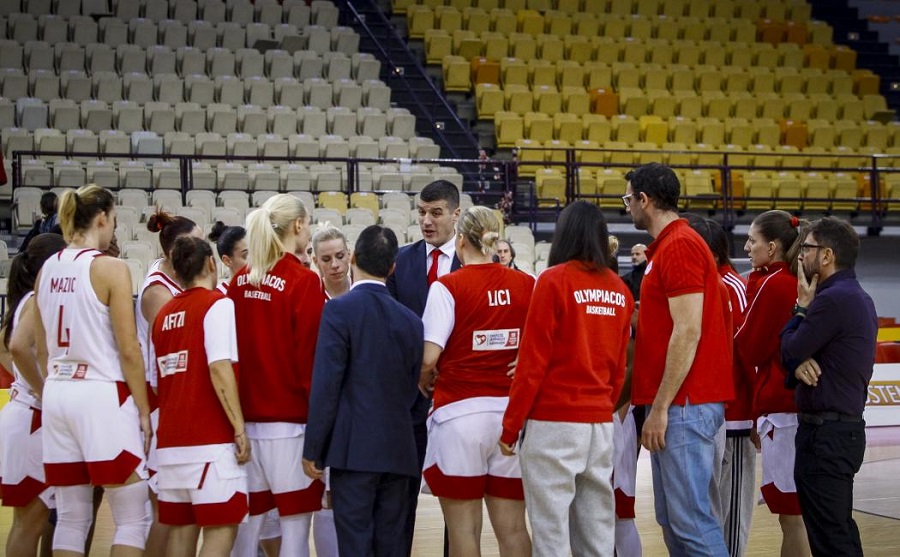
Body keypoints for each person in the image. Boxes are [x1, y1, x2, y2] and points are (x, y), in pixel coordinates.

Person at [499, 200, 634, 557]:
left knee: (551, 534)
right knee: (597, 534)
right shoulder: (620, 290)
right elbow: (619, 368)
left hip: (553, 424)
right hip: (599, 424)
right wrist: (600, 410)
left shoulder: (553, 280)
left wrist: (510, 427)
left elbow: (532, 362)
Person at [33, 185, 153, 555]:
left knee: (71, 518)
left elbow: (40, 349)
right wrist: (144, 410)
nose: (114, 229)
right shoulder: (110, 268)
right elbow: (129, 349)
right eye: (114, 221)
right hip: (100, 393)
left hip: (56, 392)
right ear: (102, 218)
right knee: (134, 517)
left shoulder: (46, 269)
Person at [624, 163, 732, 556]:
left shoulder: (681, 245)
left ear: (645, 200)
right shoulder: (666, 247)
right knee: (674, 523)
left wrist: (662, 407)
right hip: (679, 403)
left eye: (628, 199)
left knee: (692, 525)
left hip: (685, 404)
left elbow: (688, 330)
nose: (627, 208)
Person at [420, 206, 534, 557]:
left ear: (460, 240)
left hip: (459, 415)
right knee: (514, 529)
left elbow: (428, 358)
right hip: (510, 419)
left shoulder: (447, 286)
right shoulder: (527, 283)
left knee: (464, 530)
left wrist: (425, 379)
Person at [303, 225, 423, 557]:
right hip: (400, 449)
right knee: (393, 546)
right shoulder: (412, 321)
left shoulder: (339, 310)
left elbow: (327, 384)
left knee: (355, 545)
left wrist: (314, 447)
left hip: (352, 451)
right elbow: (416, 392)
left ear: (353, 257)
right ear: (393, 267)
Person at [228, 194, 325, 557]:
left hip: (244, 424)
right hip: (291, 424)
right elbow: (309, 362)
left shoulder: (237, 282)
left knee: (246, 528)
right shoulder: (304, 281)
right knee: (295, 528)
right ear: (298, 225)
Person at [781, 217, 877, 557]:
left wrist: (801, 308)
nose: (800, 255)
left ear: (826, 255)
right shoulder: (855, 295)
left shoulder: (832, 299)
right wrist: (796, 358)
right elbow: (794, 358)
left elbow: (790, 349)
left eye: (806, 248)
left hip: (827, 435)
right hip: (839, 432)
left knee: (830, 537)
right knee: (837, 530)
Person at [151, 236, 250, 556]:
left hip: (168, 444)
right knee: (221, 530)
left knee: (181, 533)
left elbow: (157, 381)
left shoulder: (164, 314)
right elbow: (220, 369)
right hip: (209, 441)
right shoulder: (217, 304)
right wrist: (238, 427)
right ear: (211, 263)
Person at [386, 179, 461, 555]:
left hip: (458, 394)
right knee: (402, 497)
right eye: (421, 212)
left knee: (456, 501)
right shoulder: (400, 260)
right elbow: (393, 328)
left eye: (436, 212)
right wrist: (418, 373)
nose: (427, 221)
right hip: (410, 396)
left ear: (456, 214)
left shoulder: (475, 261)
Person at [735, 210, 810, 557]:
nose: (748, 247)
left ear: (774, 246)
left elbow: (748, 345)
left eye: (753, 240)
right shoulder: (796, 280)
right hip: (797, 406)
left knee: (791, 515)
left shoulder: (773, 284)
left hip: (782, 408)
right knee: (799, 513)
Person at [685, 215, 753, 557]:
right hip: (711, 410)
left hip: (735, 414)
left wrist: (752, 414)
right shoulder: (704, 284)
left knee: (731, 507)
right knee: (709, 504)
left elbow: (745, 353)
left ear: (709, 252)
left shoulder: (732, 286)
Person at [135, 210, 201, 556]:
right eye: (198, 240)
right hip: (163, 400)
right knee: (165, 511)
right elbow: (182, 341)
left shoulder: (181, 280)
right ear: (177, 251)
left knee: (181, 512)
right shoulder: (156, 292)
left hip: (179, 399)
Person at [1, 233, 67, 556]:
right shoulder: (37, 298)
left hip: (24, 415)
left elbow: (8, 345)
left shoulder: (23, 300)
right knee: (31, 523)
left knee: (27, 522)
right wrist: (46, 392)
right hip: (32, 417)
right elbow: (15, 347)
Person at [311, 226, 351, 299]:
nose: (334, 265)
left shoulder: (363, 290)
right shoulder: (310, 296)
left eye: (340, 256)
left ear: (348, 255)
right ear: (316, 262)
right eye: (326, 259)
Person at [208, 221, 248, 295]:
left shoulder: (265, 291)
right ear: (227, 261)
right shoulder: (217, 297)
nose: (253, 261)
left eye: (255, 254)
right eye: (246, 256)